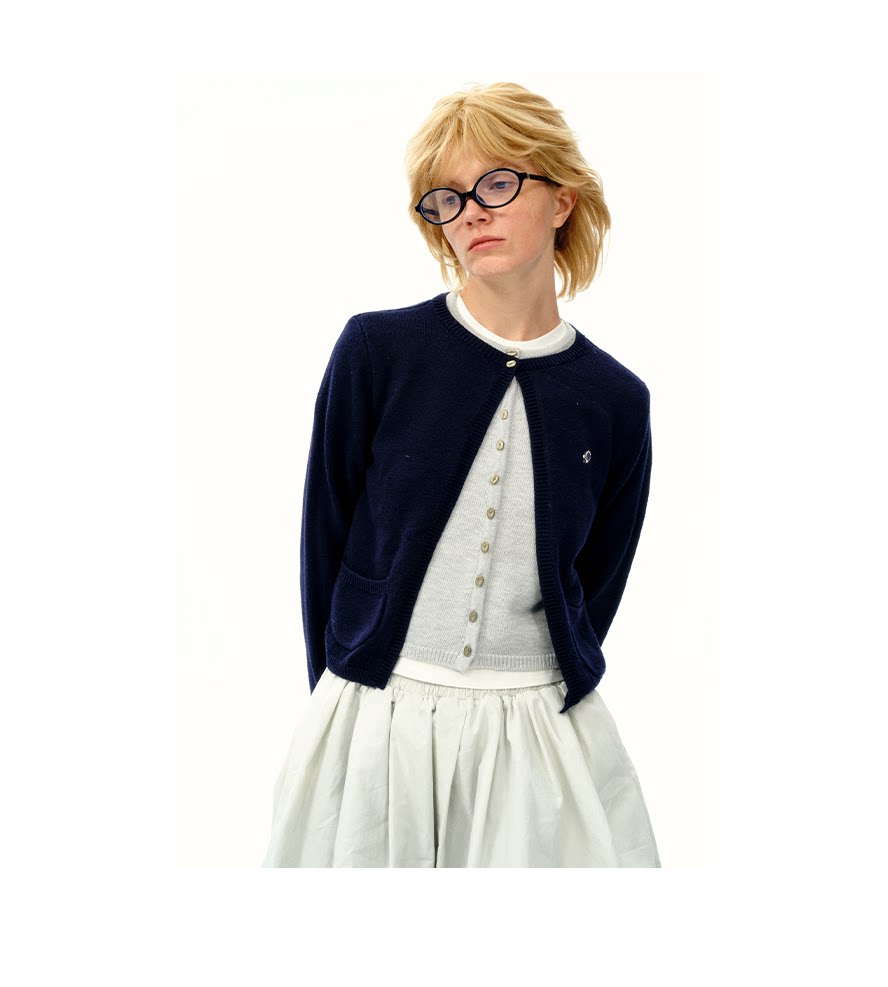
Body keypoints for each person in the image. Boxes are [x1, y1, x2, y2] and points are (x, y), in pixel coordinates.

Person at [261, 81, 661, 867]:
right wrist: (348, 697)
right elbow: (325, 545)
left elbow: (596, 584)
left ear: (562, 200)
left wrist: (543, 683)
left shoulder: (616, 400)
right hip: (378, 715)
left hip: (535, 732)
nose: (471, 211)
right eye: (446, 198)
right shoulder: (377, 352)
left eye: (497, 183)